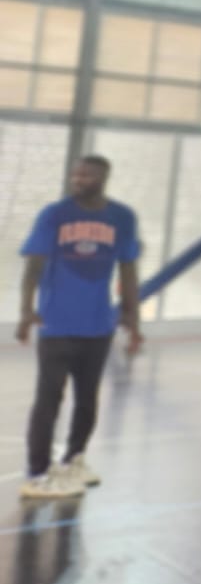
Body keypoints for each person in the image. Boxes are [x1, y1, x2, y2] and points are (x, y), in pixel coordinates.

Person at [16, 155, 142, 502]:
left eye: (85, 174)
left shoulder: (122, 217)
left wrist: (133, 318)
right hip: (57, 323)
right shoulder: (54, 214)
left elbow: (129, 270)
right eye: (75, 174)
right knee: (49, 399)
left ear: (103, 177)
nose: (78, 179)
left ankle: (74, 460)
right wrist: (27, 310)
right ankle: (38, 473)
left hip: (98, 325)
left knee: (88, 399)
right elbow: (33, 266)